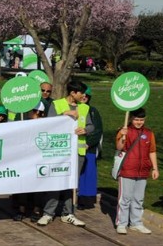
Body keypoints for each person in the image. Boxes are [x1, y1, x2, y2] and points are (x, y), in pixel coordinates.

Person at [37, 81, 92, 228]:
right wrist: (64, 114)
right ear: (73, 93)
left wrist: (86, 130)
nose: (84, 96)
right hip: (59, 151)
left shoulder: (85, 108)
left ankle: (68, 214)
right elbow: (49, 124)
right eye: (81, 93)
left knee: (72, 184)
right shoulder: (57, 104)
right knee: (56, 181)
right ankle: (48, 213)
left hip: (78, 152)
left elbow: (91, 125)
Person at [115, 108, 158, 235]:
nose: (139, 122)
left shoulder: (149, 133)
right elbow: (119, 147)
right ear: (131, 119)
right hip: (127, 169)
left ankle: (136, 223)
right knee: (125, 198)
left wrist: (155, 168)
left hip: (143, 170)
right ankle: (121, 223)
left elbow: (152, 151)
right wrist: (122, 136)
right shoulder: (124, 130)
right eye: (136, 119)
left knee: (138, 199)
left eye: (142, 120)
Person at [77, 86, 103, 210]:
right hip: (73, 148)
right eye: (82, 95)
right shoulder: (73, 109)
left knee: (87, 174)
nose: (84, 97)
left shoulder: (93, 111)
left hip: (89, 149)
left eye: (87, 96)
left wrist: (89, 143)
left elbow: (98, 130)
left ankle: (85, 199)